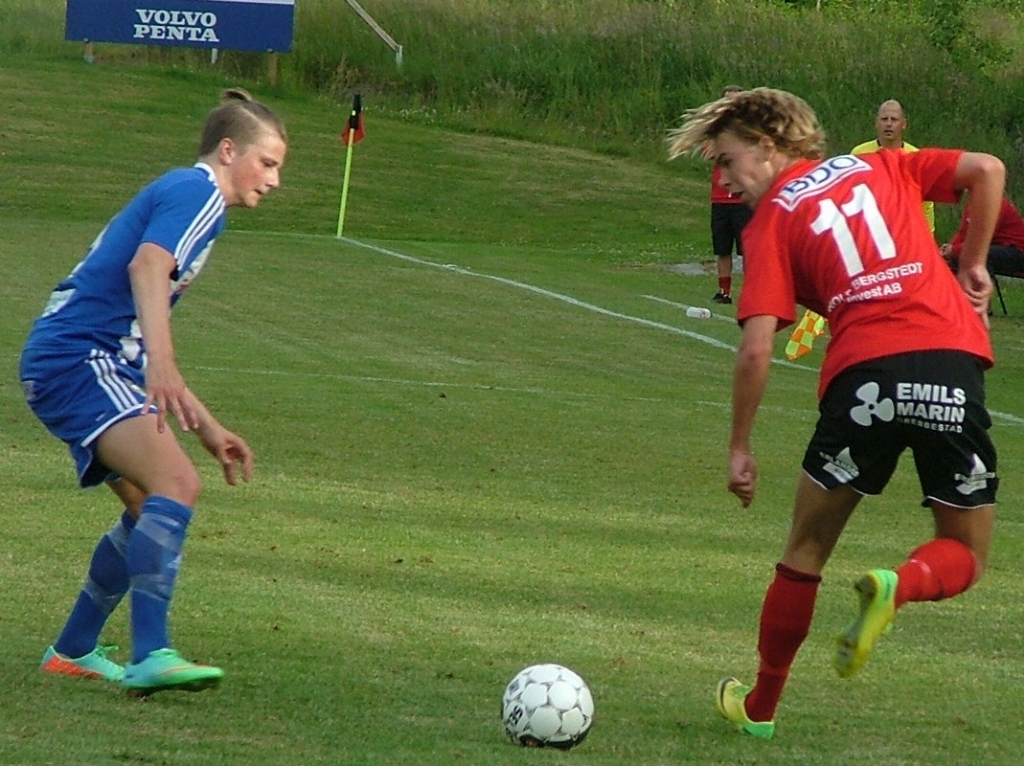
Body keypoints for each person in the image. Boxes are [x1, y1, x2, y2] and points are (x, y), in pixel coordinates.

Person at [667, 87, 1002, 739]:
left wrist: (739, 446)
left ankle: (761, 709)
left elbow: (757, 348)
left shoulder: (772, 221)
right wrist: (973, 265)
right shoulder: (883, 163)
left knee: (806, 549)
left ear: (767, 147)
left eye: (728, 162)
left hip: (865, 377)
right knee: (964, 551)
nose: (726, 182)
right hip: (951, 364)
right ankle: (898, 584)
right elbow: (987, 170)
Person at [20, 88, 287, 696]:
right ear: (228, 150)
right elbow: (146, 266)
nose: (274, 180)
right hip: (78, 359)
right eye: (267, 163)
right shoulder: (199, 191)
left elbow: (137, 327)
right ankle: (151, 654)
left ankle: (73, 650)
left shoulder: (191, 195)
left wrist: (205, 424)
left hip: (76, 359)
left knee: (147, 506)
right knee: (177, 484)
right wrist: (163, 367)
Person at [851, 99, 935, 236]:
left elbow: (926, 202)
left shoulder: (916, 157)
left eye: (894, 120)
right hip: (870, 229)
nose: (889, 124)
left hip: (905, 230)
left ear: (903, 124)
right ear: (876, 123)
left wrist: (929, 235)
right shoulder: (859, 154)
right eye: (884, 119)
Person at [706, 85, 753, 305]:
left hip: (742, 197)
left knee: (748, 249)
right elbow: (709, 152)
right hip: (720, 198)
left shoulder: (749, 129)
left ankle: (750, 291)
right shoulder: (716, 129)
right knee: (722, 248)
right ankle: (724, 291)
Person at [941, 195, 1024, 279]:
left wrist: (953, 250)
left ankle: (979, 286)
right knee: (956, 257)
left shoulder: (993, 204)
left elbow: (980, 241)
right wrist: (947, 250)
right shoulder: (974, 204)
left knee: (981, 254)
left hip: (1018, 253)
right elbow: (963, 233)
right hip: (1002, 248)